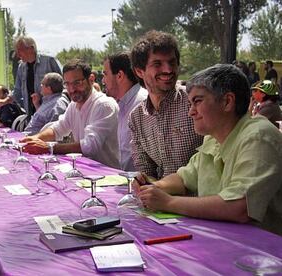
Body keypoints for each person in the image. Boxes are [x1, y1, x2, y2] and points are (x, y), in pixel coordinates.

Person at [133, 64, 282, 236]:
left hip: (263, 255)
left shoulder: (259, 136)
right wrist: (153, 186)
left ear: (227, 102)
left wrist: (168, 202)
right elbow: (184, 178)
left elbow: (239, 207)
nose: (191, 112)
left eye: (197, 101)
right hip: (224, 242)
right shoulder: (214, 137)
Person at [129, 30, 203, 180]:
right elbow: (145, 173)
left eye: (172, 62)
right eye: (157, 64)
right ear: (139, 71)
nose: (168, 70)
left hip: (202, 200)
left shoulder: (195, 101)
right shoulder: (136, 118)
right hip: (161, 199)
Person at [21, 59, 120, 168]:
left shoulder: (104, 105)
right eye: (67, 84)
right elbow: (58, 128)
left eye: (77, 83)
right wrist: (35, 139)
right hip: (85, 170)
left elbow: (90, 146)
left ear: (91, 79)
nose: (72, 89)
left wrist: (49, 148)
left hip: (109, 175)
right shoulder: (74, 105)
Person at [102, 52, 148, 171]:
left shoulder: (142, 103)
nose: (103, 80)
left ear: (120, 76)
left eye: (105, 74)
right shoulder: (123, 103)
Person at [0, 36, 62, 116]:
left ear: (31, 48)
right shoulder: (21, 67)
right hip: (31, 114)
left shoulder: (49, 60)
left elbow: (64, 84)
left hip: (51, 113)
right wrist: (5, 101)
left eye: (20, 50)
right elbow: (17, 91)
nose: (18, 54)